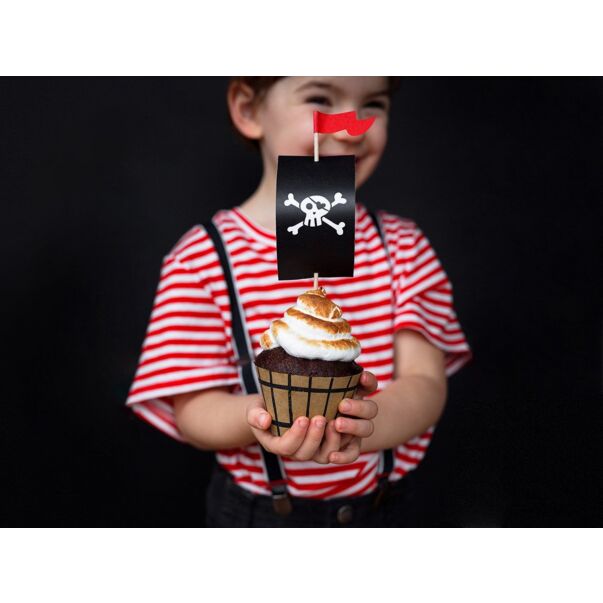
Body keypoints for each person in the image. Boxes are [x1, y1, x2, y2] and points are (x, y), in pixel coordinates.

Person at [125, 77, 472, 527]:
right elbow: (193, 411)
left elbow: (426, 382)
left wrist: (361, 426)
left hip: (385, 510)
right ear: (248, 110)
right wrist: (266, 416)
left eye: (373, 104)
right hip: (262, 515)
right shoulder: (201, 259)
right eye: (320, 98)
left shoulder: (404, 248)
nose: (351, 127)